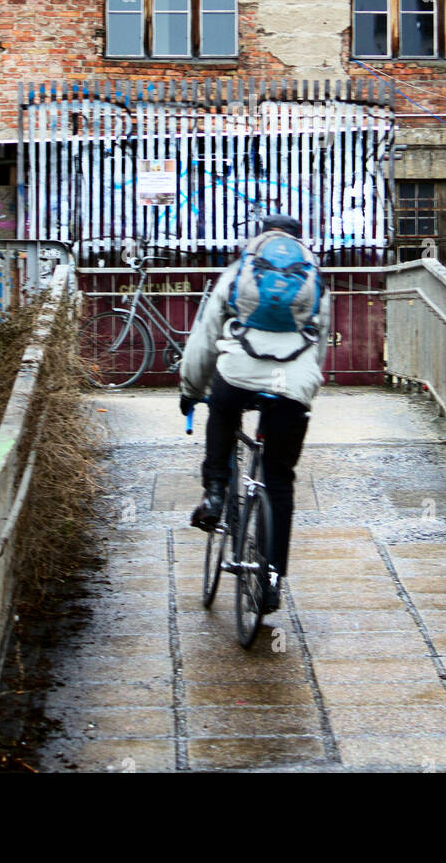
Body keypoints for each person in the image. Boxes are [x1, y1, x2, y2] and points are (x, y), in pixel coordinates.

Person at [179, 214, 330, 614]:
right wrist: (306, 385)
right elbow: (321, 341)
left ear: (258, 238)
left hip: (239, 372)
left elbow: (206, 337)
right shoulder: (313, 276)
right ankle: (272, 580)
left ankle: (214, 494)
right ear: (300, 242)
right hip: (293, 382)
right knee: (279, 479)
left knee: (222, 414)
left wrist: (191, 390)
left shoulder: (238, 271)